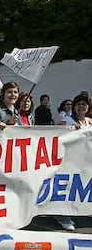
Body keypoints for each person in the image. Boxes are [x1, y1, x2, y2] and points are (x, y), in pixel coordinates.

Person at [55, 93, 92, 231]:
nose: (81, 106)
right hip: (68, 160)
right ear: (74, 107)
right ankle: (61, 215)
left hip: (85, 161)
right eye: (78, 104)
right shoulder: (67, 120)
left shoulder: (89, 122)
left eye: (84, 104)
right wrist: (69, 131)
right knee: (66, 187)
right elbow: (57, 137)